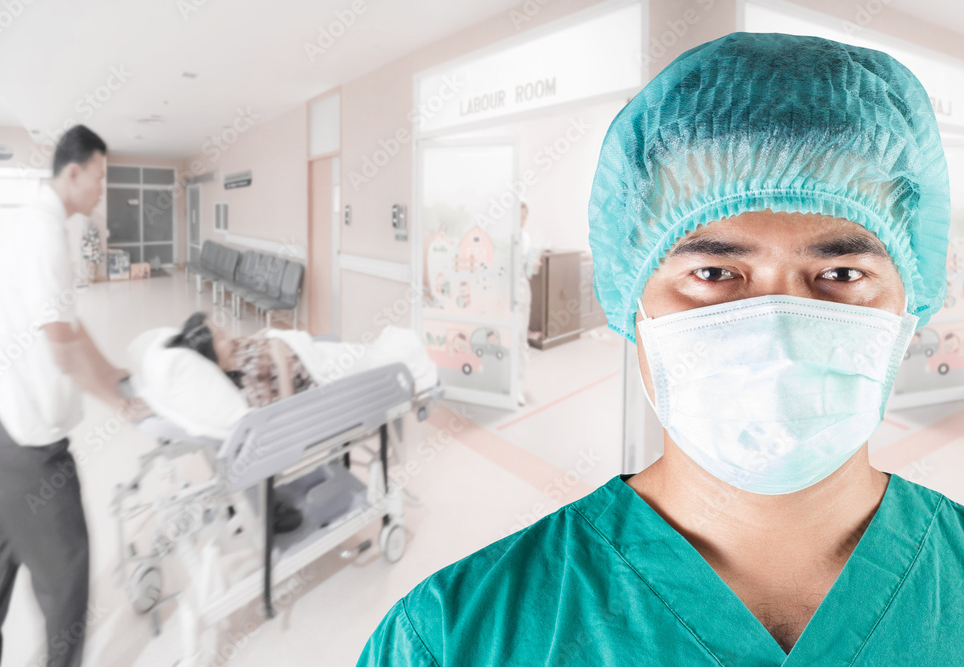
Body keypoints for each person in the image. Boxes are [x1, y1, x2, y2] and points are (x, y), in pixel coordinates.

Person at [356, 33, 964, 665]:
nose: (778, 336)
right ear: (632, 300)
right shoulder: (455, 638)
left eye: (841, 276)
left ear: (909, 303)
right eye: (713, 275)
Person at [0, 125, 151, 667]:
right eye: (98, 177)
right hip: (29, 449)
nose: (100, 190)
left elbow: (69, 326)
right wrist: (119, 404)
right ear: (73, 173)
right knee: (68, 582)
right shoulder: (46, 235)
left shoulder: (31, 224)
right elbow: (62, 350)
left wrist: (113, 371)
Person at [165, 311, 316, 408]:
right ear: (211, 357)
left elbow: (250, 340)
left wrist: (259, 336)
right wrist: (281, 360)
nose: (225, 333)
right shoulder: (246, 382)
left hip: (302, 347)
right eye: (218, 338)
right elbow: (284, 413)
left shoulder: (232, 349)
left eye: (219, 330)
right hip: (312, 372)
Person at [514, 201, 542, 406]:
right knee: (508, 338)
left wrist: (533, 266)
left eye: (524, 217)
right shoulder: (504, 238)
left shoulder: (526, 238)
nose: (522, 221)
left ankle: (517, 387)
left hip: (522, 292)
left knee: (520, 340)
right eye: (519, 217)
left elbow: (526, 272)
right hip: (505, 294)